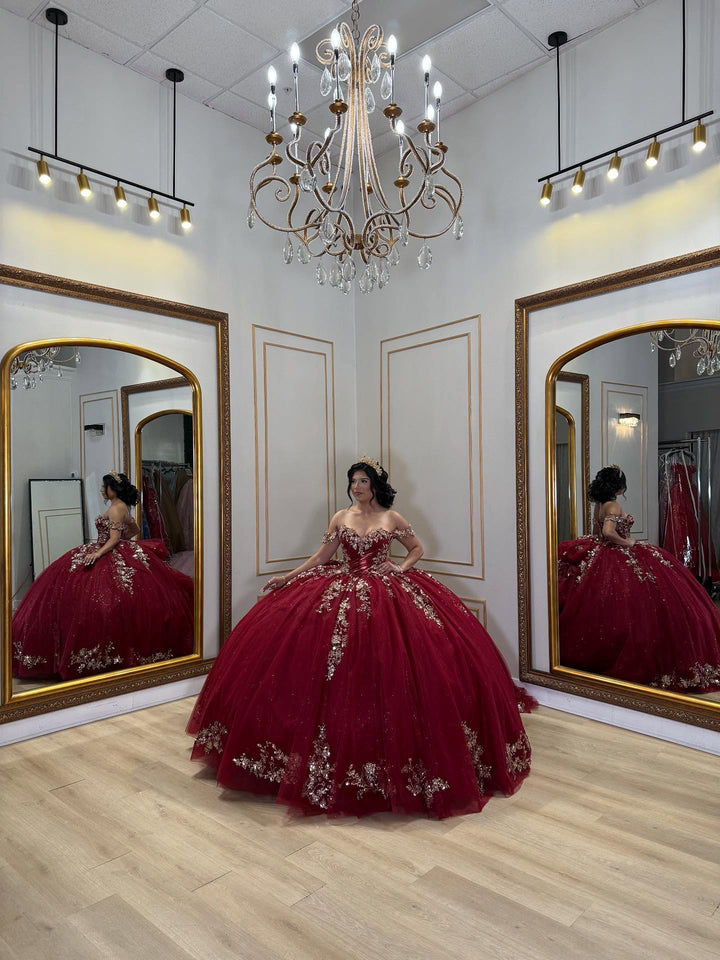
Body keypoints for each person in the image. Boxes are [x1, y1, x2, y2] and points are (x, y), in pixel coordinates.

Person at [188, 457, 536, 819]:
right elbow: (322, 556)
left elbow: (417, 548)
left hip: (386, 593)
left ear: (375, 485)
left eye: (363, 481)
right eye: (353, 481)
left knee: (396, 667)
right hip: (342, 586)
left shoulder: (392, 517)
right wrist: (288, 578)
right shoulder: (341, 517)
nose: (357, 487)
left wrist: (399, 568)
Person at [12, 470, 194, 680]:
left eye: (103, 486)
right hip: (110, 548)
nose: (101, 490)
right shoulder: (121, 506)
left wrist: (99, 552)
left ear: (113, 489)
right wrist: (121, 540)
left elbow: (114, 539)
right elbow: (134, 528)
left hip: (106, 549)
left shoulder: (116, 508)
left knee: (100, 599)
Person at [558, 465, 720, 692]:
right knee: (647, 604)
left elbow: (600, 533)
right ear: (618, 486)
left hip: (605, 553)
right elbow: (608, 532)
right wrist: (629, 543)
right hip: (618, 553)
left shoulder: (600, 505)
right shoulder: (613, 505)